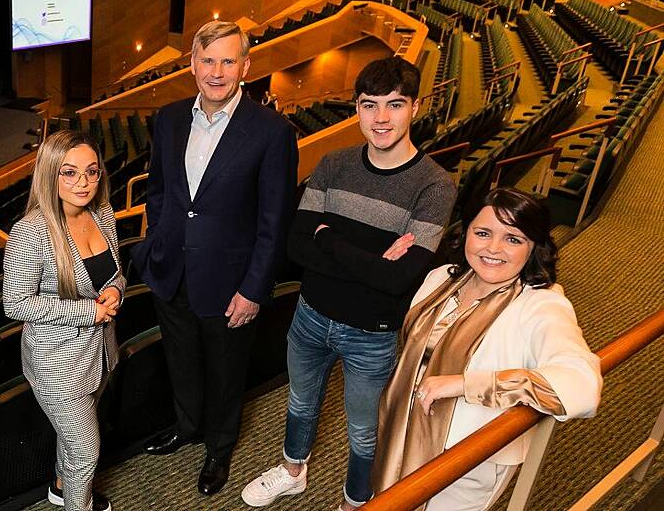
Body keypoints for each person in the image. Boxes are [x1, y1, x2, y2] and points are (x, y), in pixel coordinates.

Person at [241, 57, 456, 510]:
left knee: (362, 429)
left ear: (415, 107)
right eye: (369, 105)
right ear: (356, 109)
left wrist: (328, 239)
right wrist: (367, 258)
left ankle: (357, 501)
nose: (381, 118)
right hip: (310, 316)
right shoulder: (334, 163)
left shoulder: (434, 185)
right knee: (300, 403)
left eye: (394, 105)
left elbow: (399, 277)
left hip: (372, 334)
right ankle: (292, 471)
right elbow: (296, 247)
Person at [133, 20, 297, 495]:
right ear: (192, 64)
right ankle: (187, 428)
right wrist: (158, 244)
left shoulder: (271, 133)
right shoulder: (167, 118)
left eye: (228, 60)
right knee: (180, 361)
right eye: (208, 60)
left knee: (226, 373)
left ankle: (220, 448)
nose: (217, 71)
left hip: (230, 284)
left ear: (245, 66)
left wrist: (253, 288)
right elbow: (161, 192)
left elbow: (274, 220)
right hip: (171, 272)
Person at [370, 188, 601, 510]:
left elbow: (582, 384)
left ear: (533, 247)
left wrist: (468, 384)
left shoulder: (540, 306)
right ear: (465, 234)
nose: (493, 248)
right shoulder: (441, 280)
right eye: (483, 233)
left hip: (466, 459)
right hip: (400, 432)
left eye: (513, 239)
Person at [3, 130, 125, 511]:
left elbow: (117, 273)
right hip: (56, 364)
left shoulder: (102, 213)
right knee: (87, 453)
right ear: (50, 174)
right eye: (69, 173)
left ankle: (60, 484)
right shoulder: (30, 232)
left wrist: (117, 291)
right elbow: (15, 304)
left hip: (99, 354)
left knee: (73, 442)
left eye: (91, 171)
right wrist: (88, 312)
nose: (83, 183)